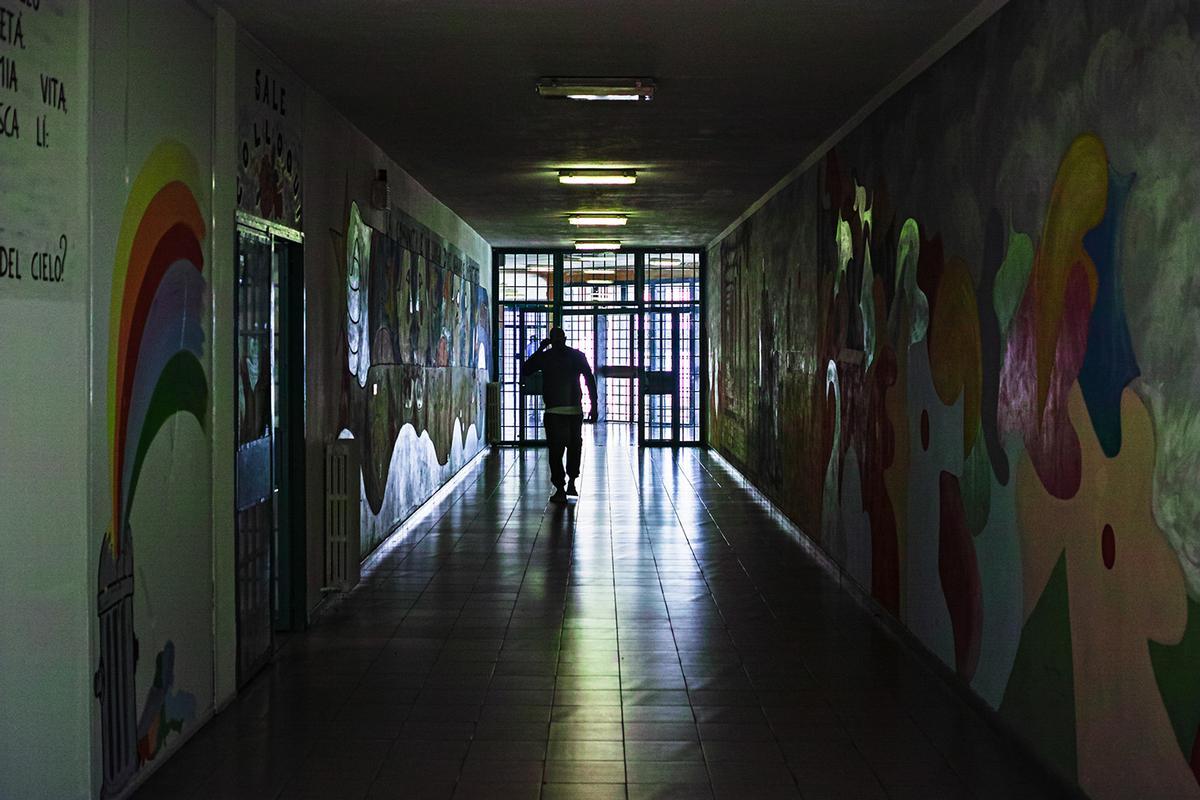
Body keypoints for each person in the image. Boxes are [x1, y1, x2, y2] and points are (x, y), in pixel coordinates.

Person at [521, 327, 598, 502]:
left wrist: (541, 348)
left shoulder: (546, 357)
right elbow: (589, 381)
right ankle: (572, 481)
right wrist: (594, 406)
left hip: (553, 411)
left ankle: (560, 489)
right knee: (574, 447)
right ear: (565, 338)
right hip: (574, 410)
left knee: (555, 452)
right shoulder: (577, 356)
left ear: (551, 340)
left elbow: (526, 369)